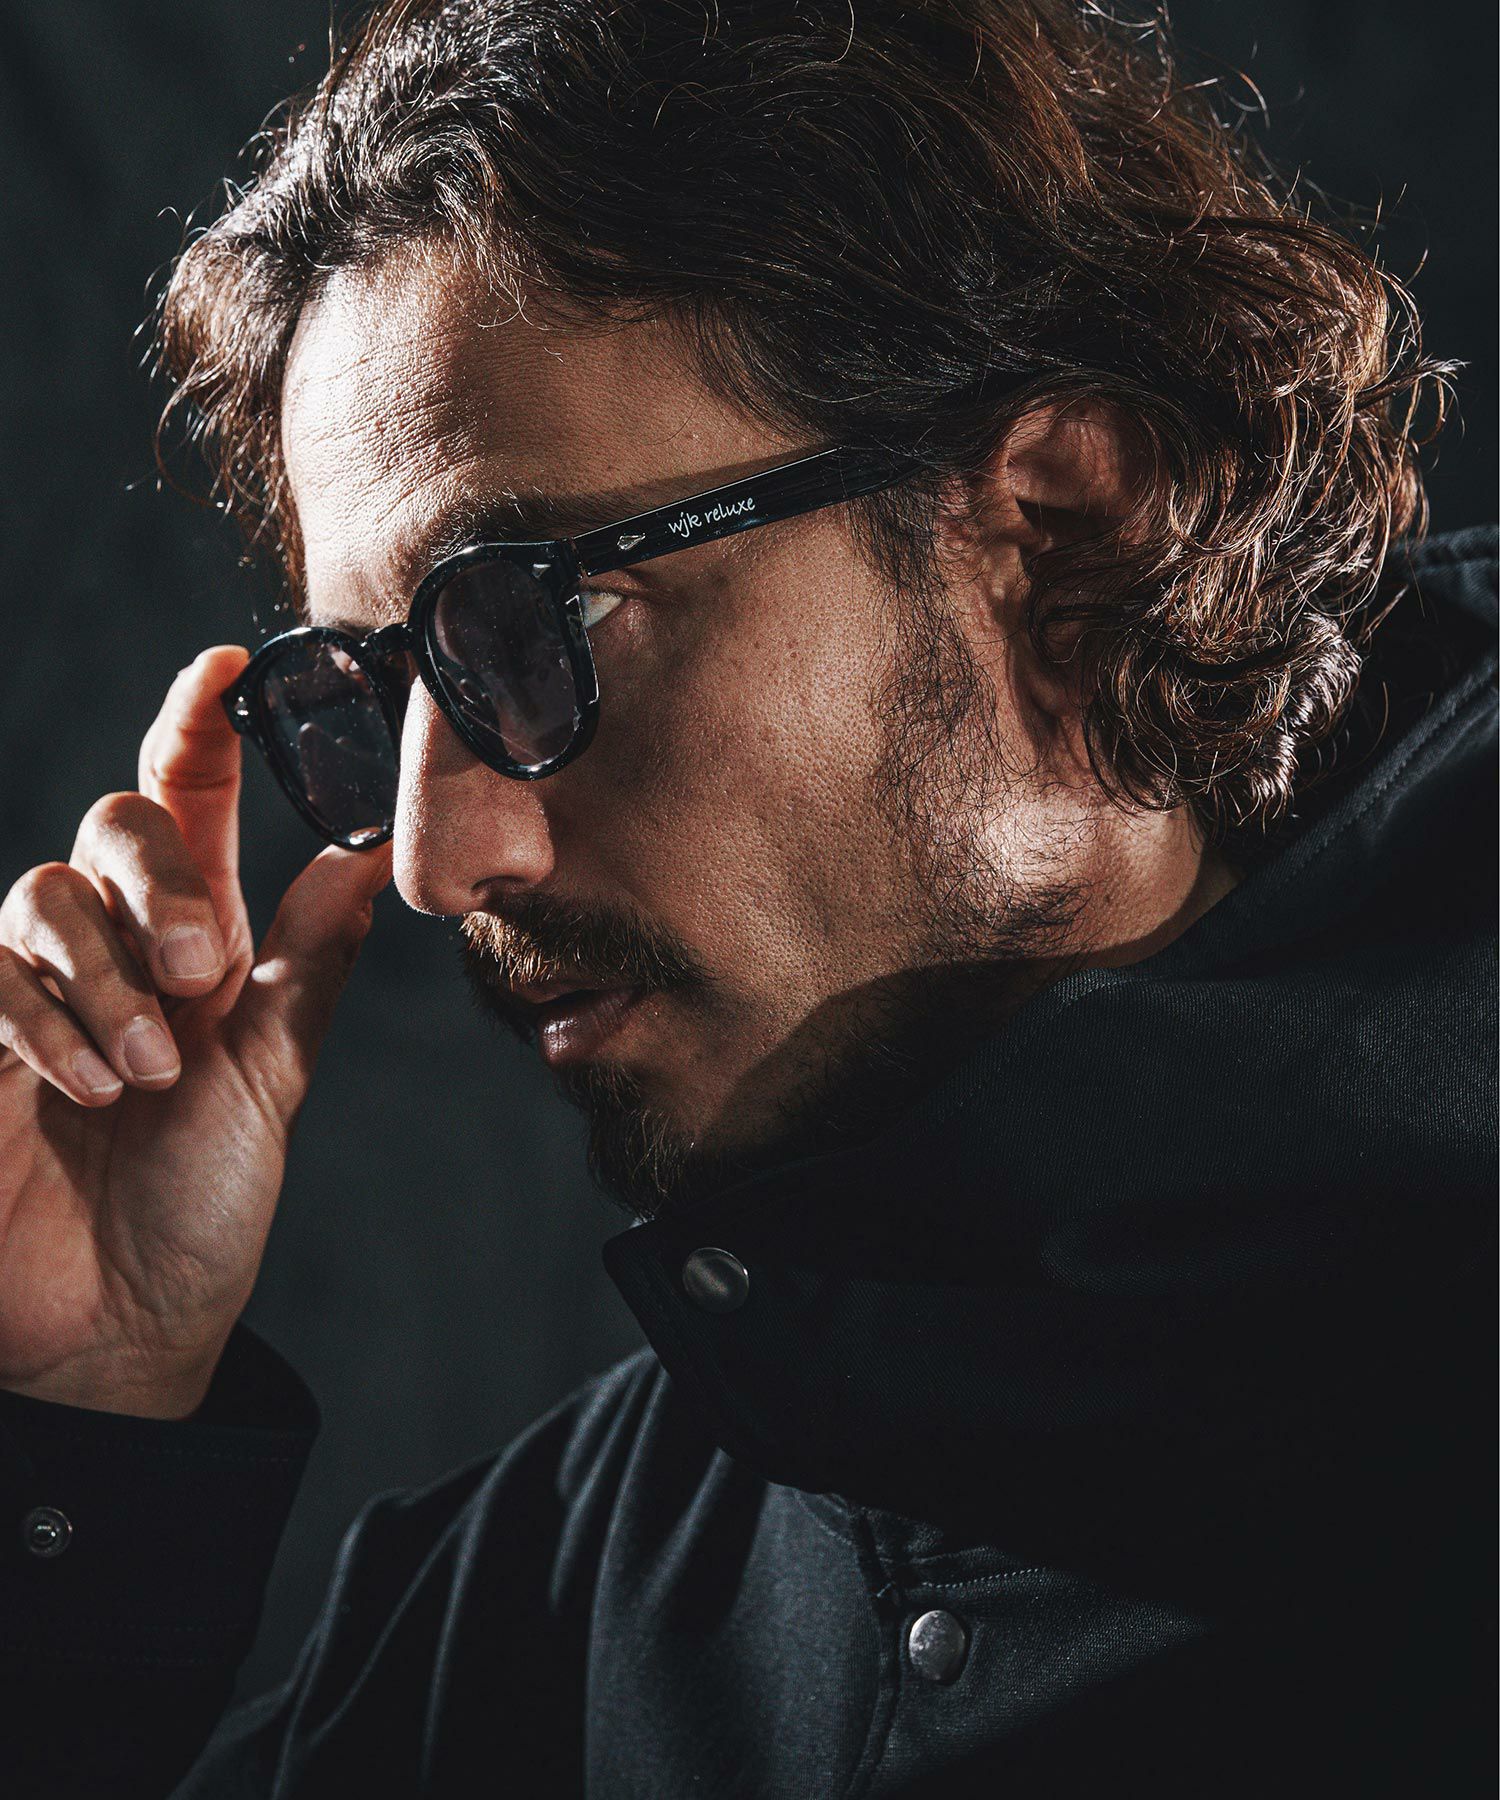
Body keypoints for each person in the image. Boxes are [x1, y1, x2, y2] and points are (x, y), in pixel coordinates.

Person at [0, 1, 1492, 1794]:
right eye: (379, 691)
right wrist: (86, 1417)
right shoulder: (551, 1609)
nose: (439, 861)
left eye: (543, 619)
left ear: (1061, 530)